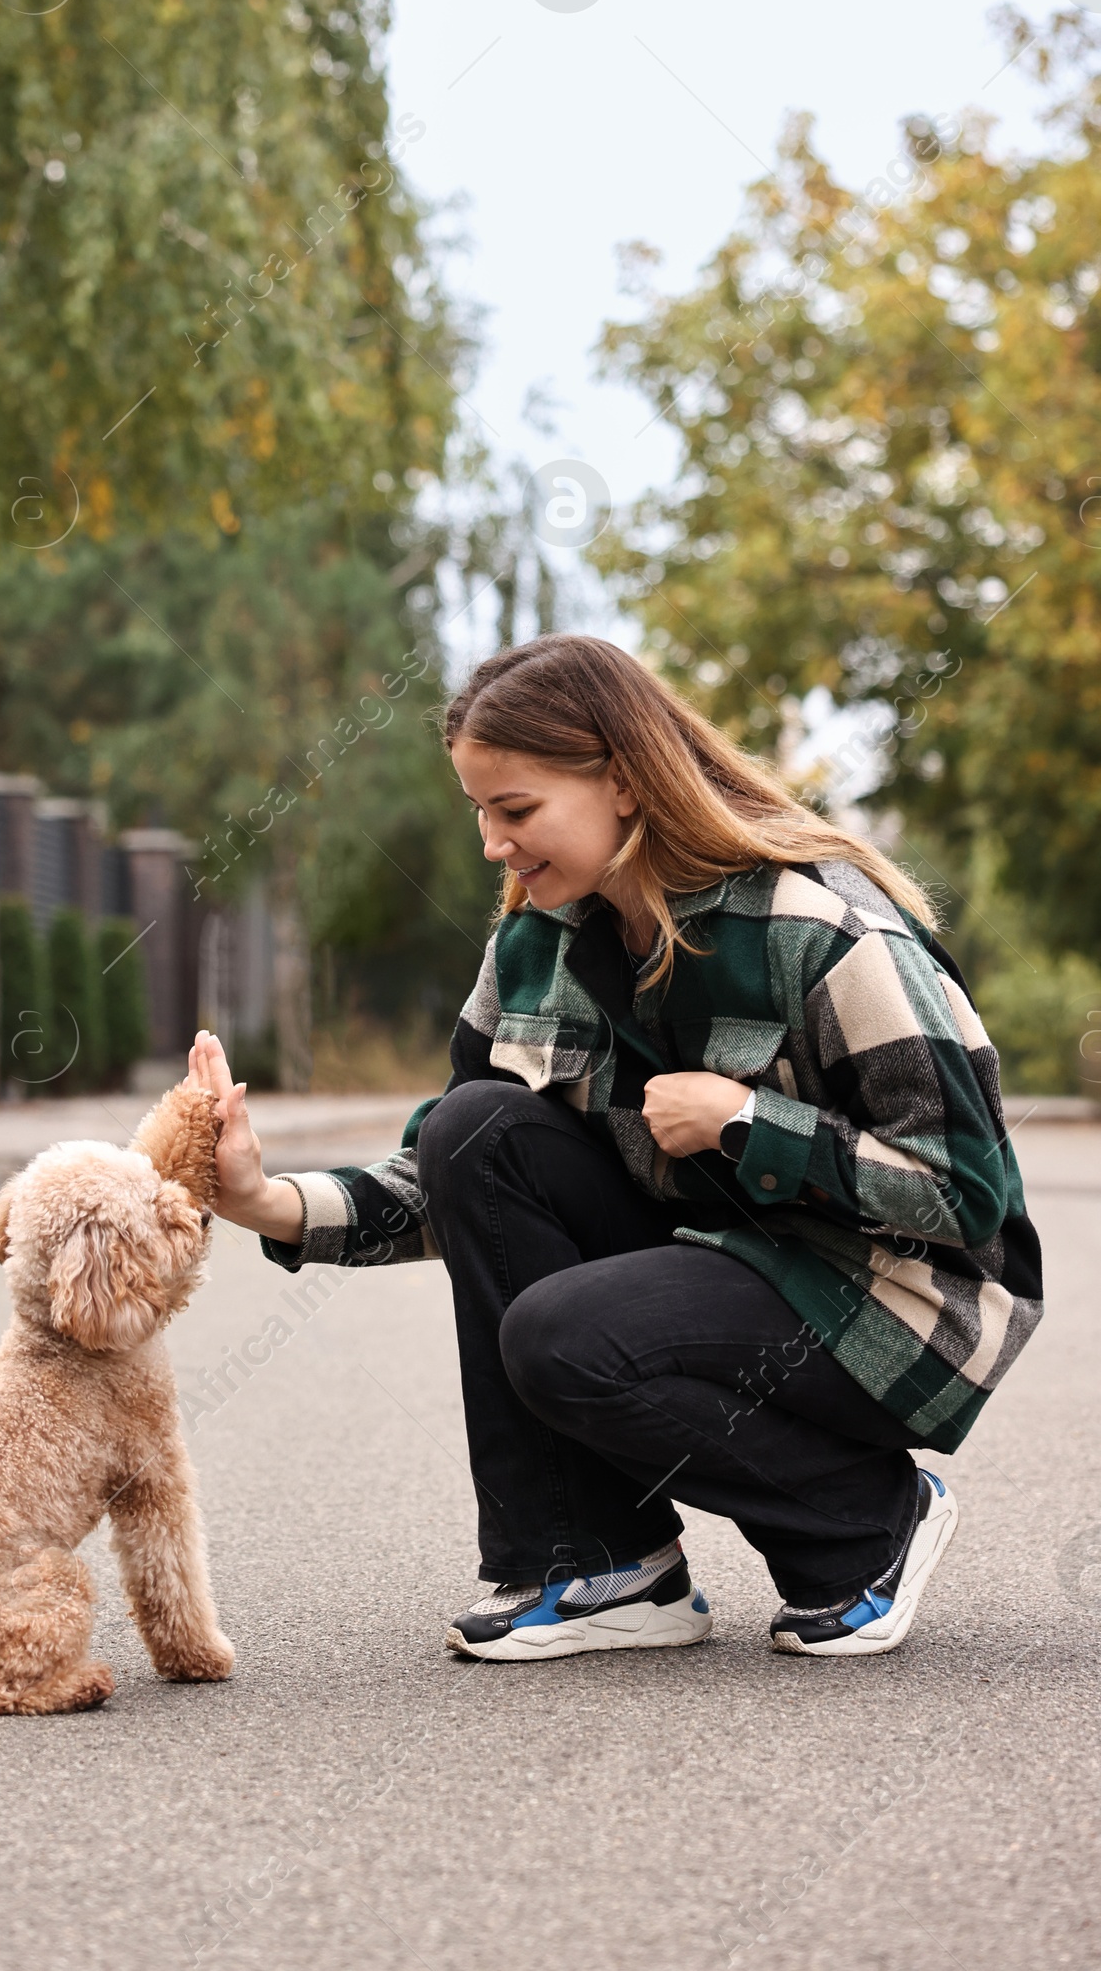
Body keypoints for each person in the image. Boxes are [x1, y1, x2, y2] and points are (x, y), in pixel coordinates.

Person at [191, 634, 1042, 1662]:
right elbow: (446, 1178)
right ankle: (594, 1561)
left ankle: (863, 1522)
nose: (492, 843)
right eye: (479, 812)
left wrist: (749, 1122)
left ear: (625, 783)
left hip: (897, 1298)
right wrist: (266, 1200)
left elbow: (968, 1191)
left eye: (515, 810)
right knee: (476, 1127)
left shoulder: (824, 932)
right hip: (726, 1251)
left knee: (566, 1333)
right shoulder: (535, 941)